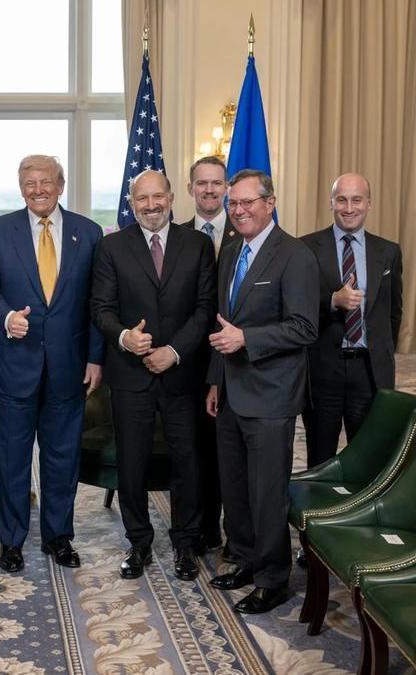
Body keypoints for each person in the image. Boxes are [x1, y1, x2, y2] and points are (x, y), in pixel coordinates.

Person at [0, 154, 104, 573]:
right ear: (20, 187)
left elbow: (98, 303)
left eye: (45, 182)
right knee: (12, 458)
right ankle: (12, 542)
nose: (38, 190)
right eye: (29, 183)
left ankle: (58, 538)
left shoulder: (89, 232)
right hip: (14, 364)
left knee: (62, 458)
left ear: (60, 185)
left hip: (69, 367)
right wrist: (6, 316)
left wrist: (96, 358)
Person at [91, 170, 216, 580]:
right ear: (131, 202)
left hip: (182, 375)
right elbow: (101, 309)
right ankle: (139, 543)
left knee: (188, 462)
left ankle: (185, 544)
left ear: (171, 197)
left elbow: (204, 309)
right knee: (132, 463)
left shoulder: (198, 245)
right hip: (130, 375)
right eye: (142, 198)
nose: (151, 205)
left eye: (158, 196)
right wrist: (126, 337)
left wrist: (174, 351)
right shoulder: (111, 247)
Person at [205, 169, 318, 614]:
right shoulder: (231, 251)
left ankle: (274, 579)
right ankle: (248, 560)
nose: (239, 210)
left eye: (248, 202)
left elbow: (304, 327)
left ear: (270, 203)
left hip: (272, 395)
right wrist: (215, 378)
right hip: (230, 391)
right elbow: (221, 322)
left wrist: (248, 340)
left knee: (268, 490)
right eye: (234, 203)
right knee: (235, 488)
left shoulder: (295, 256)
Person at [300, 173, 403, 468]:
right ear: (331, 202)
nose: (349, 208)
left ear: (368, 204)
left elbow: (394, 312)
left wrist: (381, 353)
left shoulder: (389, 252)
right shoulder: (305, 248)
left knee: (368, 457)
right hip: (323, 370)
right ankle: (320, 513)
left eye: (356, 200)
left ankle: (360, 513)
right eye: (342, 200)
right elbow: (298, 309)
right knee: (320, 457)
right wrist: (333, 301)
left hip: (369, 372)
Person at [180, 155, 238, 553]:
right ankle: (203, 528)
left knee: (232, 454)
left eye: (217, 183)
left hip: (238, 363)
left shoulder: (249, 232)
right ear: (190, 189)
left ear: (227, 188)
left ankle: (238, 533)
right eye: (202, 184)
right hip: (190, 362)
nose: (209, 190)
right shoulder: (178, 236)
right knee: (197, 450)